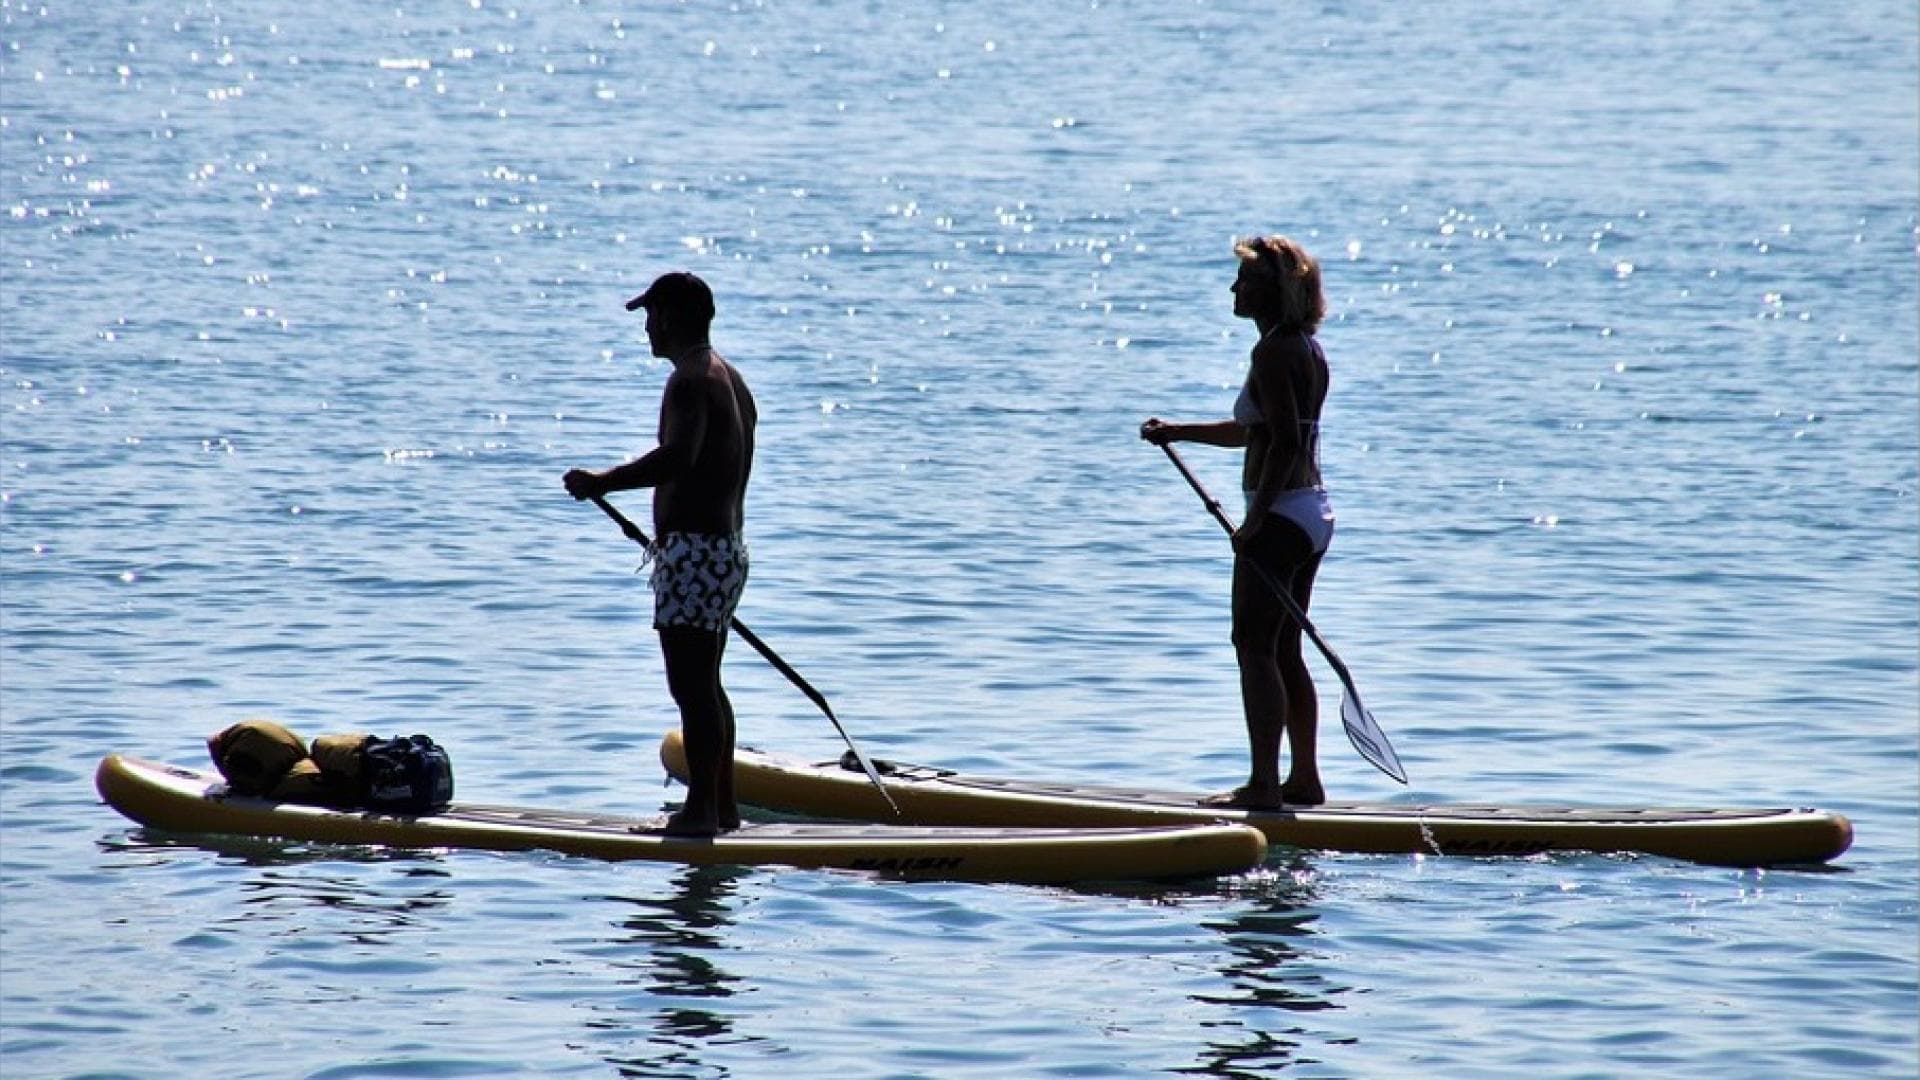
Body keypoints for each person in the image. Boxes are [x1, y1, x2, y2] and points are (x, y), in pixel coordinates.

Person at [1140, 235, 1334, 808]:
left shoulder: (1272, 353)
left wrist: (1257, 520)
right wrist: (1179, 432)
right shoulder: (1304, 348)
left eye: (1246, 281)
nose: (1234, 288)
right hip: (1312, 513)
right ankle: (1305, 779)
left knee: (1253, 645)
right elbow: (1257, 431)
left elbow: (1285, 442)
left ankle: (1264, 786)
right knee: (1284, 648)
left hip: (1281, 517)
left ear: (1274, 292)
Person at [564, 271, 758, 836]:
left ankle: (700, 813)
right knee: (707, 683)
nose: (647, 327)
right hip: (724, 552)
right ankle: (722, 808)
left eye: (651, 315)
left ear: (671, 317)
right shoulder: (730, 378)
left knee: (691, 687)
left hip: (695, 555)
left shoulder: (689, 381)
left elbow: (678, 457)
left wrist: (601, 481)